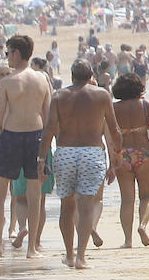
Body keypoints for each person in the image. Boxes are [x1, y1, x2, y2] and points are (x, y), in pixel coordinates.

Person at [39, 59, 122, 269]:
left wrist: (41, 160)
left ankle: (68, 254)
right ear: (91, 75)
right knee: (86, 207)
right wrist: (116, 156)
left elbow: (48, 130)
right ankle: (81, 257)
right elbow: (114, 130)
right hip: (92, 152)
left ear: (72, 75)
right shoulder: (102, 95)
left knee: (66, 207)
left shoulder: (59, 96)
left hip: (65, 152)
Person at [0, 35, 51, 259]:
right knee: (35, 193)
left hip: (11, 136)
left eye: (8, 53)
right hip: (36, 136)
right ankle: (32, 247)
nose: (7, 57)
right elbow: (48, 115)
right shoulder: (42, 79)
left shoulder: (7, 82)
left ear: (16, 53)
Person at [109, 72, 149, 248]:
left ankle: (127, 240)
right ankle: (143, 226)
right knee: (147, 196)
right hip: (145, 153)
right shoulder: (145, 104)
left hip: (123, 154)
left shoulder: (114, 108)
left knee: (126, 200)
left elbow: (109, 132)